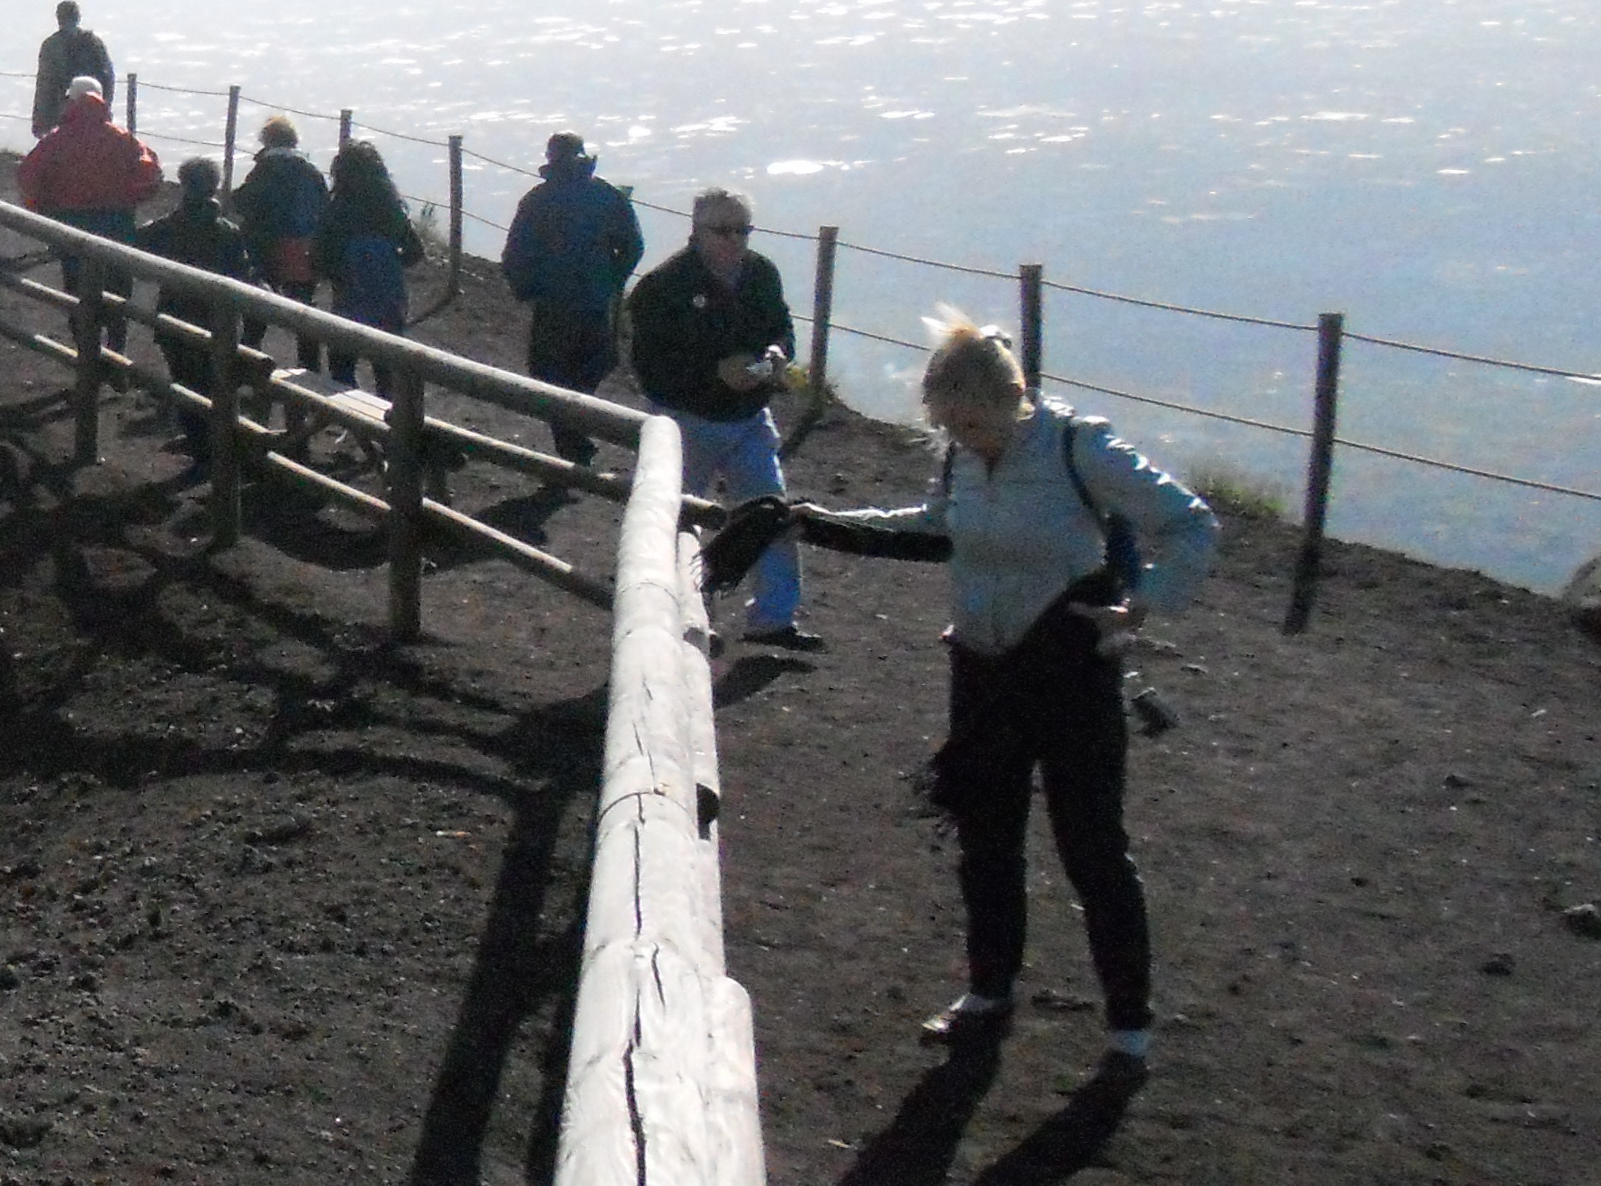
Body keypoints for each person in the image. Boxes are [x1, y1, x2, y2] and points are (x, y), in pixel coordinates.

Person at [714, 314, 1218, 1083]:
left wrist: (1140, 606)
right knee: (987, 839)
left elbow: (1190, 524)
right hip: (981, 672)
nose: (963, 439)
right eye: (949, 427)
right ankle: (988, 993)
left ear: (1013, 400)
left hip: (1072, 673)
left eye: (973, 424)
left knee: (1091, 849)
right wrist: (814, 523)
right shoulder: (964, 457)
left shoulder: (1079, 448)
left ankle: (1129, 1029)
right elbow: (934, 530)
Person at [626, 186, 811, 646]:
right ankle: (686, 618)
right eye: (722, 230)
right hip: (685, 421)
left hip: (750, 416)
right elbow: (649, 368)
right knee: (678, 523)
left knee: (769, 512)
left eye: (742, 230)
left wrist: (777, 353)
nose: (733, 240)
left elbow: (782, 327)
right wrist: (713, 373)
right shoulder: (663, 286)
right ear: (697, 230)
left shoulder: (761, 273)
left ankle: (774, 619)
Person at [497, 130, 644, 458]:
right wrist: (611, 280)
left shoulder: (538, 199)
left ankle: (572, 443)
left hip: (553, 306)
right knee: (589, 368)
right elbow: (633, 246)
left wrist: (527, 289)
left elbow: (514, 256)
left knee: (550, 376)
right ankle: (574, 441)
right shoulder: (606, 195)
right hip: (594, 304)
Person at [139, 157, 254, 483]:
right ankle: (214, 444)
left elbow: (136, 245)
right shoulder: (228, 232)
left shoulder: (166, 227)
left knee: (185, 381)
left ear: (184, 184)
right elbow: (243, 273)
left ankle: (202, 448)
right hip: (218, 319)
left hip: (175, 314)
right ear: (215, 187)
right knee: (218, 382)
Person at [17, 74, 161, 298]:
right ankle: (115, 320)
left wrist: (44, 211)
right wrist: (129, 200)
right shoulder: (123, 139)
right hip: (117, 223)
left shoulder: (55, 140)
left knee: (77, 291)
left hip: (70, 223)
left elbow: (29, 178)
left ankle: (82, 320)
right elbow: (150, 175)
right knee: (117, 290)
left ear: (71, 102)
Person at [231, 114, 333, 378]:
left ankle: (246, 368)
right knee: (304, 314)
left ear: (266, 140)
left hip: (265, 249)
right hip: (302, 249)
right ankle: (310, 371)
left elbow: (243, 203)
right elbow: (325, 209)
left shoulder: (264, 170)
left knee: (256, 313)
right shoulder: (311, 171)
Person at [316, 138, 421, 341]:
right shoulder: (390, 209)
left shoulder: (337, 210)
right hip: (389, 297)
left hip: (349, 296)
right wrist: (389, 261)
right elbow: (415, 251)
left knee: (343, 351)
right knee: (387, 351)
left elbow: (321, 257)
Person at [30, 1, 115, 136]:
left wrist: (39, 122)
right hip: (94, 113)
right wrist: (106, 108)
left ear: (58, 18)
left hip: (61, 115)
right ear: (78, 17)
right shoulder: (94, 42)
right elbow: (108, 79)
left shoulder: (51, 45)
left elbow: (44, 86)